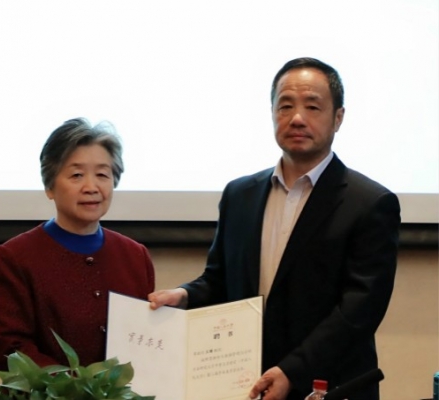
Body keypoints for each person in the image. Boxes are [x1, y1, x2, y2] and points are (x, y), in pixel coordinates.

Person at [148, 58, 400, 400]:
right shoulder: (240, 195)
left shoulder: (370, 202)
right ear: (272, 114)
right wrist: (186, 295)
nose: (297, 118)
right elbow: (220, 280)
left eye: (312, 106)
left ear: (338, 118)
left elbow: (360, 310)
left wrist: (292, 371)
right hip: (249, 384)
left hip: (329, 386)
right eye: (285, 106)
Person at [0, 117, 155, 370]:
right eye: (77, 175)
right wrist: (77, 387)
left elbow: (145, 340)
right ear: (50, 186)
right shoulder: (15, 258)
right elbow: (10, 349)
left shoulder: (135, 256)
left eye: (102, 174)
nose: (91, 187)